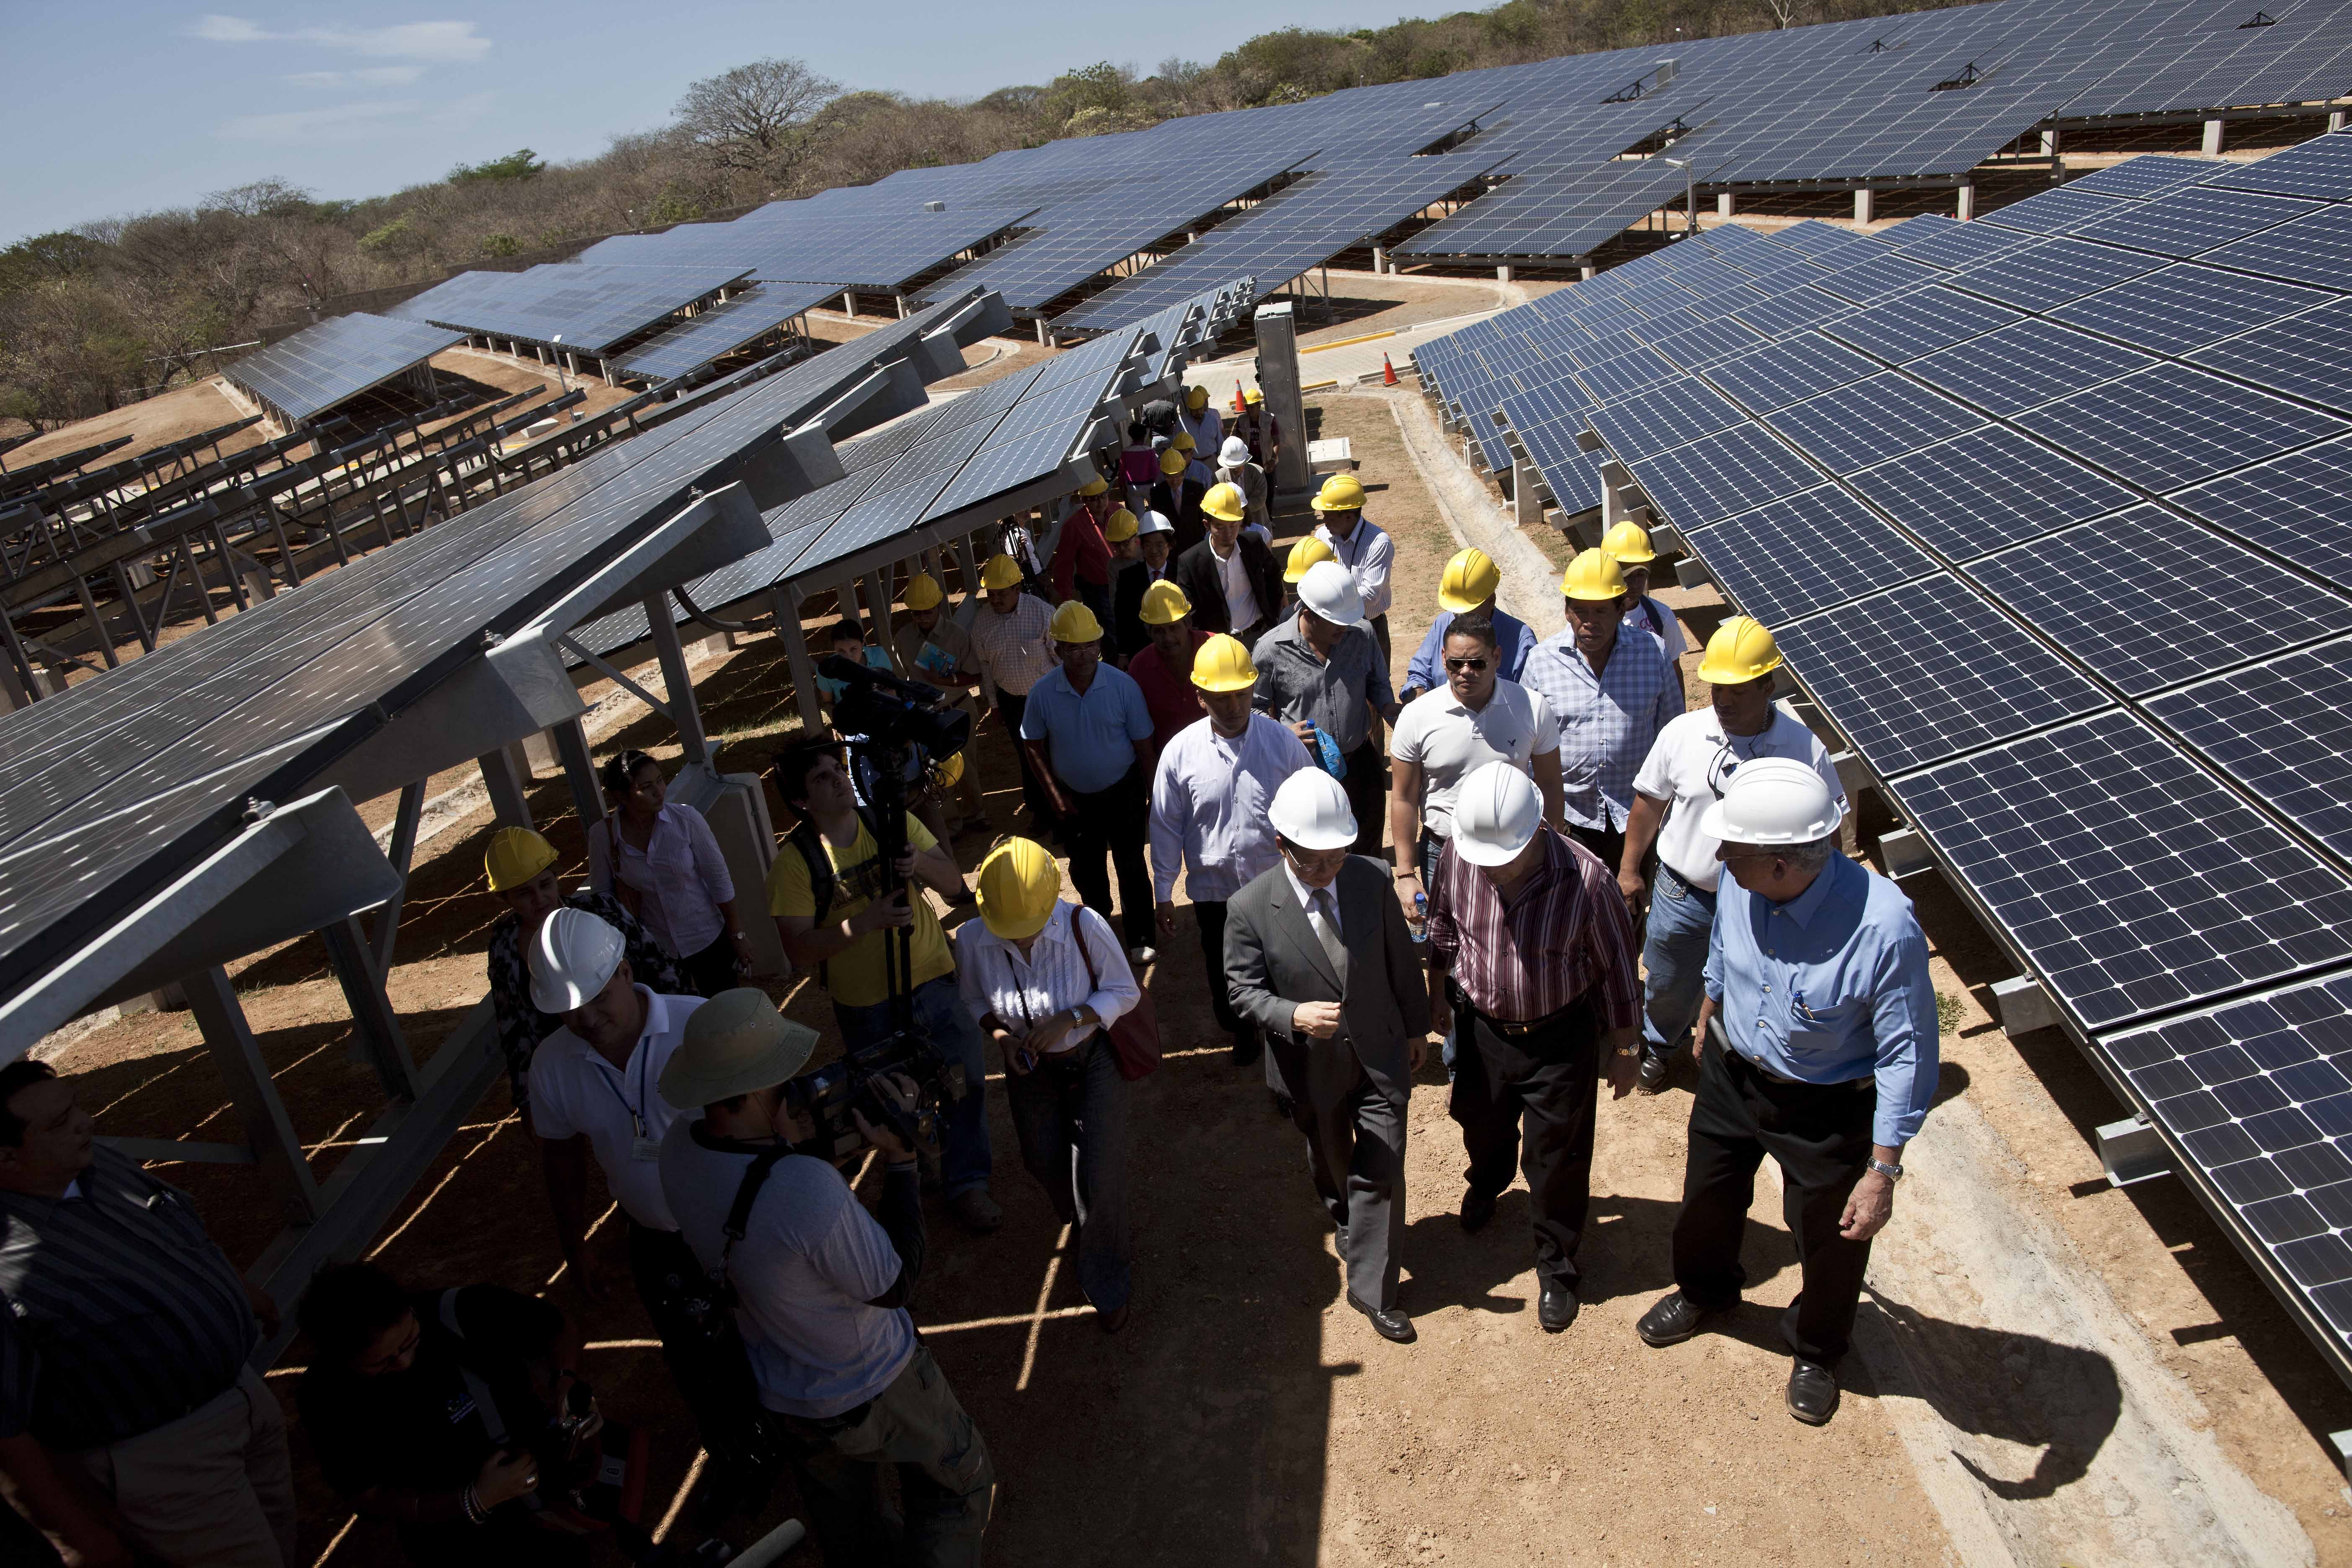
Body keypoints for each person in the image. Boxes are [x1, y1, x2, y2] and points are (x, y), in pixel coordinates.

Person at [1635, 760, 1937, 1427]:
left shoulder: (1884, 930)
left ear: (1783, 865)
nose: (1720, 858)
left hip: (1825, 1106)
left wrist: (1883, 1170)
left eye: (1734, 850)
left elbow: (1906, 1052)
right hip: (1731, 1073)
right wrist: (1711, 1001)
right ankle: (1705, 1292)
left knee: (1831, 1237)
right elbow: (1723, 939)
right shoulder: (1745, 882)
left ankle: (1819, 1347)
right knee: (1707, 1198)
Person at [658, 991, 995, 1561]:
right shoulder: (802, 1190)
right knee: (956, 1492)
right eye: (778, 1080)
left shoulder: (677, 1153)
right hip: (876, 1380)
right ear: (751, 1092)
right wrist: (903, 1162)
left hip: (790, 1399)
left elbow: (758, 1198)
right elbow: (893, 1284)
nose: (792, 1087)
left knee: (852, 1537)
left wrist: (796, 1151)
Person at [0, 1060, 294, 1568]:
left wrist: (237, 1290)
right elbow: (7, 1432)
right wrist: (77, 1534)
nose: (85, 1122)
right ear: (6, 1158)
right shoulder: (7, 1265)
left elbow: (181, 1229)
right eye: (57, 1123)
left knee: (282, 1543)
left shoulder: (97, 1164)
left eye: (74, 1105)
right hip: (163, 1460)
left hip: (241, 1396)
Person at [523, 908, 763, 1485]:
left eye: (598, 997)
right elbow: (561, 1158)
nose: (584, 1018)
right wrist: (573, 1244)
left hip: (744, 1224)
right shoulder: (551, 1068)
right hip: (657, 1238)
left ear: (627, 971)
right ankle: (736, 1456)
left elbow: (766, 1120)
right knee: (693, 1355)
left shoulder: (702, 1025)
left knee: (770, 1330)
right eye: (567, 1009)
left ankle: (796, 1436)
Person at [1429, 764, 1641, 1333]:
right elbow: (1444, 926)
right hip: (1482, 1031)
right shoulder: (1459, 853)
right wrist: (1437, 997)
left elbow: (1618, 970)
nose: (1493, 866)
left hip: (1558, 1040)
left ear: (1540, 830)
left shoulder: (1588, 880)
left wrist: (1624, 1051)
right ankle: (1487, 1182)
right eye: (1484, 855)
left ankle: (1558, 1264)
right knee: (1481, 1124)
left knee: (1559, 1159)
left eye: (1507, 855)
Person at [1223, 771, 1430, 1344]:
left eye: (1335, 857)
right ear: (1281, 846)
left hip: (1380, 1054)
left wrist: (1416, 1028)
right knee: (1333, 1158)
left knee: (1383, 1170)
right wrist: (1292, 1016)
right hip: (1310, 1070)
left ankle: (1373, 1290)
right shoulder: (1249, 908)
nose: (1325, 871)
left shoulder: (1369, 878)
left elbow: (1399, 961)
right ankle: (1343, 1211)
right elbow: (1241, 991)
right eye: (1312, 861)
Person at [768, 743, 1001, 1232]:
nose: (839, 780)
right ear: (802, 801)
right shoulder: (795, 863)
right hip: (867, 1004)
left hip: (934, 979)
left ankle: (968, 1184)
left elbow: (954, 884)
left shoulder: (889, 823)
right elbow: (799, 950)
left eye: (838, 770)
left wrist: (920, 864)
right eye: (822, 778)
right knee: (892, 1096)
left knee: (965, 1080)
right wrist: (864, 923)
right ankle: (918, 1170)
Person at [1620, 618, 1845, 1092]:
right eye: (1717, 687)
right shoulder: (1683, 733)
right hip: (1683, 894)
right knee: (1666, 980)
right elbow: (1648, 805)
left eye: (1737, 690)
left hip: (1766, 904)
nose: (1722, 700)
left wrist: (1826, 898)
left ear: (1768, 685)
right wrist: (1629, 869)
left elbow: (1830, 831)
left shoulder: (1803, 749)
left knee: (1757, 986)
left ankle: (1744, 1061)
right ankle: (1660, 1046)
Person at [957, 839, 1143, 1331]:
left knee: (1098, 1180)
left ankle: (1107, 1283)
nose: (1018, 942)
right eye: (1008, 933)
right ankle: (1089, 1227)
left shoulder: (1087, 926)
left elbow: (1125, 991)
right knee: (1042, 1159)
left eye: (1028, 931)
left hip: (1092, 1063)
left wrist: (1073, 1018)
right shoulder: (972, 939)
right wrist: (1001, 1038)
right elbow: (974, 999)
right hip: (1031, 1072)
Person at [295, 1262, 593, 1566]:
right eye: (382, 1364)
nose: (405, 1363)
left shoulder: (461, 1311)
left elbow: (557, 1329)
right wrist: (472, 1501)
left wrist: (565, 1383)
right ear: (341, 1360)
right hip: (448, 1535)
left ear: (408, 1307)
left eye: (410, 1340)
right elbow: (366, 1494)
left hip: (550, 1494)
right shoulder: (327, 1395)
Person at [1149, 633, 1315, 1066]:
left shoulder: (1282, 744)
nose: (1233, 706)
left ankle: (1284, 1049)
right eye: (1221, 698)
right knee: (1227, 973)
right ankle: (1242, 1031)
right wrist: (1163, 890)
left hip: (1276, 886)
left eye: (1241, 694)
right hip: (1213, 892)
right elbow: (1166, 825)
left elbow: (1314, 805)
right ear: (1200, 696)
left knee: (1283, 969)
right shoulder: (1180, 755)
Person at [483, 826, 681, 1119]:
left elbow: (660, 968)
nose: (540, 898)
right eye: (525, 893)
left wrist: (681, 1028)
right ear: (505, 898)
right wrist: (528, 1100)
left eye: (546, 884)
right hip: (573, 1064)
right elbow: (514, 1027)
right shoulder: (504, 947)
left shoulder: (602, 911)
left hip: (636, 1043)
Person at [1518, 549, 1681, 873]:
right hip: (1569, 819)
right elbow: (1526, 746)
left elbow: (1671, 734)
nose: (1589, 622)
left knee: (1629, 910)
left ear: (1622, 609)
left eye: (1601, 612)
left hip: (1636, 817)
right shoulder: (1541, 662)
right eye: (1580, 611)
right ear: (1566, 611)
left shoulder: (1653, 653)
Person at [1388, 614, 1565, 903]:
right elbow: (1404, 798)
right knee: (1448, 944)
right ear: (1443, 658)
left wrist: (1550, 854)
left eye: (1477, 663)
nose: (1465, 672)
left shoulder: (1532, 708)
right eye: (1456, 663)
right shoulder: (1417, 716)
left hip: (1516, 853)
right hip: (1443, 852)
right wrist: (1407, 875)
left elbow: (1550, 786)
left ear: (1497, 657)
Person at [1020, 600, 1158, 963]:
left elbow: (1144, 745)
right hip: (1074, 799)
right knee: (1087, 871)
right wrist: (1054, 796)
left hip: (1123, 789)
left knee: (1131, 865)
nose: (1083, 655)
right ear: (1058, 649)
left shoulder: (1123, 687)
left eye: (1089, 646)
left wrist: (1153, 792)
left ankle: (1141, 937)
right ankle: (1099, 938)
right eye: (1073, 647)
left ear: (1099, 645)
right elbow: (1032, 744)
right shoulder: (1042, 694)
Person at [1254, 560, 1398, 857]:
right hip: (1304, 772)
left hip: (1360, 764)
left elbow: (1377, 682)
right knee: (1317, 855)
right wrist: (1282, 733)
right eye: (1336, 622)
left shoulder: (1363, 635)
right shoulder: (1270, 650)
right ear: (1308, 613)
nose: (1345, 628)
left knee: (1366, 851)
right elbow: (1252, 712)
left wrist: (1388, 707)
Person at [588, 750, 753, 997]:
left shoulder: (686, 819)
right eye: (646, 786)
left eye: (660, 780)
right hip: (656, 950)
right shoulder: (603, 835)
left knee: (725, 1011)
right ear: (621, 796)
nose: (659, 791)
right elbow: (603, 897)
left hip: (707, 937)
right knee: (676, 1020)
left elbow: (718, 879)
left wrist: (737, 934)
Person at [965, 551, 1061, 829]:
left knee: (1056, 754)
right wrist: (994, 705)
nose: (995, 600)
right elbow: (985, 668)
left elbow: (1059, 658)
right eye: (991, 594)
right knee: (1028, 758)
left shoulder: (1042, 614)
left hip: (1046, 700)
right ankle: (1041, 814)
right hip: (1013, 704)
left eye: (1002, 594)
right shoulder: (983, 622)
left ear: (1017, 589)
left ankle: (1062, 812)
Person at [890, 572, 987, 833]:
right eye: (916, 613)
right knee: (935, 771)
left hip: (959, 710)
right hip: (927, 716)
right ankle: (951, 823)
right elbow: (902, 679)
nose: (921, 618)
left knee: (967, 766)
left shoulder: (958, 636)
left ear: (939, 607)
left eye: (927, 612)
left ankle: (975, 815)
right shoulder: (903, 639)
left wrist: (948, 680)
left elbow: (976, 674)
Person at [1400, 547, 1538, 704]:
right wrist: (1418, 692)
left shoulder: (1520, 640)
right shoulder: (1443, 624)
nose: (1460, 618)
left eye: (1468, 611)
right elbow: (1420, 673)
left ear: (1491, 601)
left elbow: (1528, 702)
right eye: (1456, 610)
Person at [1173, 483, 1283, 646]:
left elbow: (1274, 576)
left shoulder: (1254, 544)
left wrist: (1271, 615)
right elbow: (1191, 612)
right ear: (1206, 525)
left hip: (1259, 635)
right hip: (1218, 646)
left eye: (1233, 525)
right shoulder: (1190, 562)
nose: (1229, 533)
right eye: (1220, 527)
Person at [1310, 473, 1395, 662]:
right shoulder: (1323, 536)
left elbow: (1372, 594)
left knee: (1375, 688)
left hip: (1369, 627)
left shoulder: (1378, 543)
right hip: (1330, 627)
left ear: (1348, 517)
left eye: (1329, 516)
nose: (1324, 521)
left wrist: (1329, 600)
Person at [1126, 579, 1210, 764]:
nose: (1168, 638)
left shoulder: (1215, 648)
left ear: (1188, 622)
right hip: (1171, 767)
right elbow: (1140, 732)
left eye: (1173, 628)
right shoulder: (1140, 667)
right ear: (1148, 632)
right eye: (1159, 631)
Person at [1601, 521, 1690, 665]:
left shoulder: (1662, 616)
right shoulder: (1591, 617)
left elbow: (1673, 668)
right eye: (1627, 576)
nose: (1636, 584)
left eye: (1641, 574)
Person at [1111, 509, 1178, 659]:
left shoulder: (1181, 573)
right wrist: (1123, 654)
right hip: (1141, 651)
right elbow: (1122, 617)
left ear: (1170, 545)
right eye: (1148, 545)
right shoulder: (1128, 577)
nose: (1154, 551)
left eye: (1160, 545)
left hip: (1176, 648)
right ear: (1141, 547)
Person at [1050, 477, 1116, 626]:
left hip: (1124, 582)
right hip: (1098, 592)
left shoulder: (1118, 511)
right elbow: (1064, 565)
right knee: (1109, 631)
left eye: (1103, 496)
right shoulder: (1073, 526)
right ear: (1084, 500)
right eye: (1094, 499)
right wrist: (1065, 599)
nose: (1100, 503)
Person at [815, 619, 895, 712]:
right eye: (841, 651)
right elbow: (828, 703)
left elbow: (893, 686)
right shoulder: (827, 670)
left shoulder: (879, 655)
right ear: (834, 647)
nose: (848, 657)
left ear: (863, 642)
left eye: (853, 649)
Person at [1151, 446, 1206, 556]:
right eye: (1171, 477)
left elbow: (1202, 518)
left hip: (1194, 546)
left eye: (1178, 476)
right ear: (1164, 475)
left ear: (1184, 472)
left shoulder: (1197, 489)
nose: (1175, 481)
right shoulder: (1157, 493)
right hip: (1171, 550)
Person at [1215, 436, 1270, 533]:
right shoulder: (1218, 477)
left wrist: (1234, 510)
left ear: (1245, 461)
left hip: (1258, 524)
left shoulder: (1258, 473)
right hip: (1231, 530)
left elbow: (1260, 500)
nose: (1236, 469)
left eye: (1239, 465)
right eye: (1232, 466)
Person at [1233, 386, 1281, 474]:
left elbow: (1277, 442)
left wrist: (1273, 460)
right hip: (1249, 461)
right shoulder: (1241, 420)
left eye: (1252, 407)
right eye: (1247, 407)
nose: (1249, 410)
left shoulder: (1270, 419)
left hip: (1266, 461)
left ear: (1259, 405)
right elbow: (1237, 442)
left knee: (1269, 487)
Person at [1179, 382, 1223, 460]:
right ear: (1190, 409)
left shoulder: (1212, 420)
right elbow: (1177, 446)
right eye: (1195, 410)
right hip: (1193, 463)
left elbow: (1220, 442)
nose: (1199, 413)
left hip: (1211, 461)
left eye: (1200, 409)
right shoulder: (1182, 423)